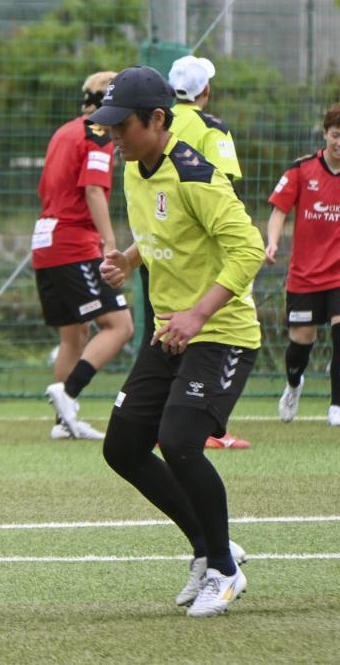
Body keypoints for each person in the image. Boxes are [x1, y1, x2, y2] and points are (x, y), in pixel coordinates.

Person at [92, 66, 262, 618]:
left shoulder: (197, 176)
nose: (113, 137)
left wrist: (197, 314)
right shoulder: (136, 170)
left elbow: (249, 250)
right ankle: (210, 548)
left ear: (158, 120)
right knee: (121, 447)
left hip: (221, 332)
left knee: (180, 440)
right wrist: (128, 259)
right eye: (109, 126)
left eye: (122, 126)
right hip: (172, 331)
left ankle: (226, 571)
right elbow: (159, 231)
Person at [37, 71, 134, 440]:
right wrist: (110, 243)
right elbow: (93, 189)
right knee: (121, 325)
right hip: (73, 244)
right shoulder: (98, 134)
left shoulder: (63, 131)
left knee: (74, 334)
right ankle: (68, 392)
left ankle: (65, 423)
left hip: (44, 242)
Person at [167, 54, 249, 449]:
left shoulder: (158, 121)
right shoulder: (211, 126)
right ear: (206, 90)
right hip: (205, 246)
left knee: (169, 327)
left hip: (164, 242)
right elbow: (224, 187)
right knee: (222, 325)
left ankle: (171, 420)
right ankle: (209, 425)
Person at [265, 104, 340, 426]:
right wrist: (272, 241)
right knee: (300, 343)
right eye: (336, 135)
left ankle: (336, 406)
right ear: (325, 134)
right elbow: (279, 210)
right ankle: (294, 385)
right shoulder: (301, 170)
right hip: (305, 274)